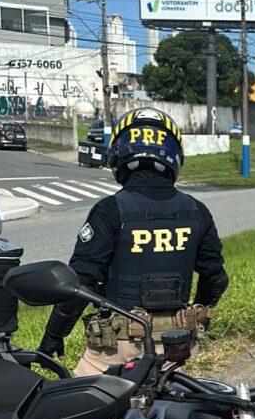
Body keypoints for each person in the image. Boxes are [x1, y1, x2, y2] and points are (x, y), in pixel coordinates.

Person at [37, 107, 229, 376]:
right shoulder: (197, 211)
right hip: (178, 347)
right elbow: (216, 278)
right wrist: (198, 318)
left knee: (77, 412)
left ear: (118, 154)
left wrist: (53, 336)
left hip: (117, 351)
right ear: (175, 155)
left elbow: (80, 282)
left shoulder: (110, 210)